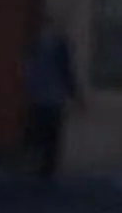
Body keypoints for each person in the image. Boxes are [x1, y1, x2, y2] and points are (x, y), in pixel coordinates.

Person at [22, 15, 80, 183]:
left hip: (44, 96)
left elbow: (29, 69)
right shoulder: (56, 46)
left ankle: (42, 165)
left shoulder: (38, 45)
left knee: (43, 132)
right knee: (49, 133)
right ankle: (45, 167)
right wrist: (74, 95)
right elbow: (66, 72)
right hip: (50, 96)